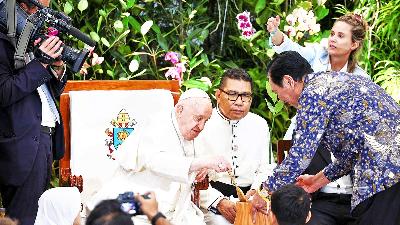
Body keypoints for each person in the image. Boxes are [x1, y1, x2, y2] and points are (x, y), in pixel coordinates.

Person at [251, 51, 400, 225]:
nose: (280, 99)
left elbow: (299, 157)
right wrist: (317, 180)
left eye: (277, 92)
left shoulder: (312, 94)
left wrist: (263, 192)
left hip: (385, 171)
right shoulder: (332, 82)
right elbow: (351, 155)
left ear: (289, 81)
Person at [267, 13, 369, 225]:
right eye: (332, 33)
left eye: (340, 36)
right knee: (297, 159)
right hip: (311, 132)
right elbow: (292, 53)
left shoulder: (361, 78)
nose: (332, 39)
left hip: (348, 145)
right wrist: (276, 33)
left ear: (354, 44)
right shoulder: (315, 56)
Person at [89, 88, 231, 225]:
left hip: (179, 211)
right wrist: (199, 163)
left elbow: (204, 168)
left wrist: (204, 168)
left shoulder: (195, 133)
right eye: (198, 118)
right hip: (137, 208)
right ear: (180, 110)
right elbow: (156, 162)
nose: (201, 126)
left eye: (205, 121)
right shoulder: (155, 125)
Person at [0, 0, 67, 224]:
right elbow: (4, 92)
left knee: (38, 218)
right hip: (22, 145)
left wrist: (56, 66)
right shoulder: (2, 41)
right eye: (38, 8)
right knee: (24, 219)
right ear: (20, 6)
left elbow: (48, 89)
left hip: (44, 140)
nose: (40, 15)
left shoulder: (29, 40)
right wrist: (40, 62)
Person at [195, 68, 274, 225]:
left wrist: (257, 192)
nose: (239, 102)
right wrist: (218, 202)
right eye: (232, 94)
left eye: (245, 96)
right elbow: (191, 174)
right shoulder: (202, 124)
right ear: (218, 95)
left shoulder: (259, 124)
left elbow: (266, 168)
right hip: (212, 201)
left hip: (252, 199)